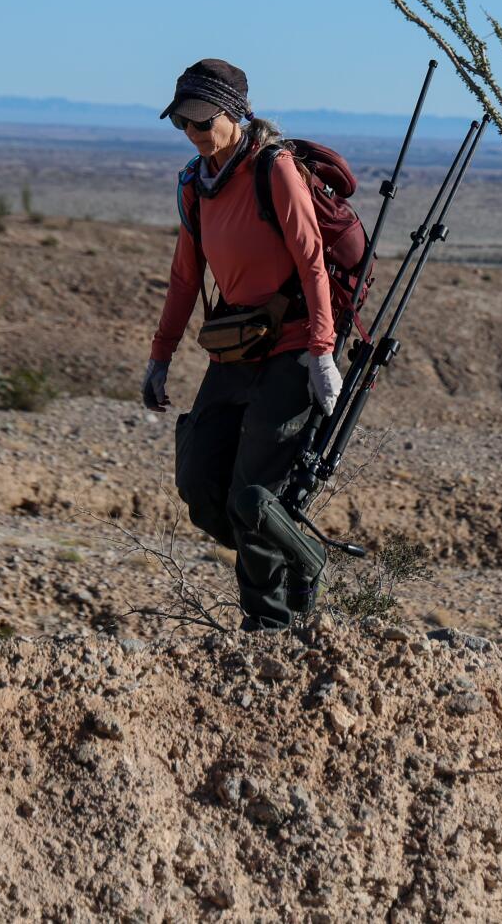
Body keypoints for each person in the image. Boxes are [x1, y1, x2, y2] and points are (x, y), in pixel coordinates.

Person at [142, 58, 343, 629]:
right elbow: (185, 278)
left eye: (203, 122)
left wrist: (322, 353)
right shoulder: (194, 184)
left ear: (235, 115)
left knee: (254, 496)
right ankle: (301, 554)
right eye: (183, 123)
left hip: (293, 346)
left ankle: (269, 628)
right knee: (201, 487)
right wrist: (160, 358)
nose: (194, 133)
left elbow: (311, 262)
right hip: (233, 349)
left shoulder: (273, 169)